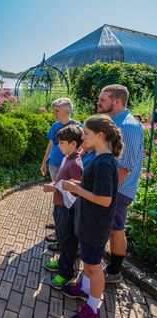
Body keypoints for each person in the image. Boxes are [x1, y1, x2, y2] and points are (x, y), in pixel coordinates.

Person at [61, 115, 123, 318]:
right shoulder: (101, 158)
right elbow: (94, 189)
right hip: (89, 221)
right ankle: (86, 289)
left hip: (95, 224)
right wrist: (78, 185)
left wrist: (77, 190)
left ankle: (93, 307)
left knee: (94, 267)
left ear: (100, 135)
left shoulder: (104, 163)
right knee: (88, 261)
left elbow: (104, 199)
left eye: (86, 134)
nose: (83, 137)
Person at [96, 85, 144, 283]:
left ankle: (114, 272)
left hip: (117, 191)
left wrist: (103, 193)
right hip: (109, 190)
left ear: (117, 101)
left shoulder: (128, 127)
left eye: (102, 99)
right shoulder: (114, 122)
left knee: (116, 229)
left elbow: (123, 168)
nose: (98, 103)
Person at [42, 125, 83, 290]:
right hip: (59, 205)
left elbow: (76, 189)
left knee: (68, 241)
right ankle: (61, 262)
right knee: (61, 236)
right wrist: (54, 184)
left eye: (62, 143)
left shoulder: (76, 163)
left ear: (73, 143)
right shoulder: (67, 157)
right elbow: (61, 179)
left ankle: (66, 272)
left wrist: (55, 187)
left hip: (67, 208)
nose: (59, 146)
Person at [41, 98, 82, 242]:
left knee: (67, 198)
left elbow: (82, 148)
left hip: (68, 167)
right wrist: (44, 162)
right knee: (57, 194)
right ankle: (58, 222)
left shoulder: (77, 127)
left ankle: (62, 230)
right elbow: (50, 145)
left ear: (67, 111)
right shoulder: (55, 126)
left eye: (57, 111)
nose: (54, 113)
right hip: (55, 164)